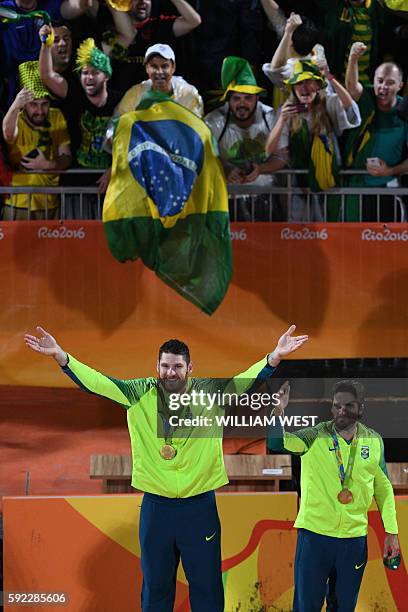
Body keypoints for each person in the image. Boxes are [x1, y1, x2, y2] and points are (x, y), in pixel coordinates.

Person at [24, 324, 309, 611]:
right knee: (156, 587)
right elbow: (97, 383)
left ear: (189, 368)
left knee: (207, 586)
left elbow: (244, 381)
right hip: (156, 509)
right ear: (157, 366)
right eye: (165, 366)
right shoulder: (138, 393)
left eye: (177, 366)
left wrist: (274, 357)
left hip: (199, 508)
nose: (170, 372)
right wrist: (61, 356)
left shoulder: (209, 393)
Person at [269, 379, 400, 612]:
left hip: (353, 541)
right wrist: (278, 411)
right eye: (337, 405)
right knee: (306, 607)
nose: (342, 411)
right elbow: (278, 443)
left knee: (344, 607)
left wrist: (391, 532)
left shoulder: (373, 441)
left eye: (349, 406)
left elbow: (384, 489)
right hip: (315, 538)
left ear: (361, 408)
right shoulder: (314, 436)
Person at [266, 59, 361, 221]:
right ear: (293, 88)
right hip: (298, 186)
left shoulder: (328, 103)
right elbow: (269, 150)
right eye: (299, 83)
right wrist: (282, 121)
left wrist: (329, 77)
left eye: (309, 82)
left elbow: (349, 104)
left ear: (318, 86)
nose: (304, 88)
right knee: (300, 235)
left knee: (330, 231)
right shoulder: (286, 111)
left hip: (328, 182)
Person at [39, 35, 123, 214]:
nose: (89, 78)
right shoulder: (75, 95)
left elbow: (132, 141)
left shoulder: (121, 102)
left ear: (106, 75)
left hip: (112, 184)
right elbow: (46, 75)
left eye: (95, 72)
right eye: (85, 73)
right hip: (77, 184)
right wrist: (46, 43)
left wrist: (114, 168)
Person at [344, 42, 408, 221]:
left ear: (400, 85)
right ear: (373, 80)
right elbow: (351, 88)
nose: (383, 88)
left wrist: (390, 170)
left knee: (387, 245)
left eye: (390, 83)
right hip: (355, 186)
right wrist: (353, 58)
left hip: (389, 189)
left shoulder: (405, 110)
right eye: (379, 81)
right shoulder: (367, 99)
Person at [2, 61, 71, 219]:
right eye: (33, 104)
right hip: (17, 203)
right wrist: (14, 107)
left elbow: (66, 156)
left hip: (49, 203)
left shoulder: (56, 116)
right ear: (24, 104)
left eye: (44, 104)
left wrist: (48, 165)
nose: (40, 111)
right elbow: (8, 134)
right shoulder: (15, 118)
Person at [205, 56, 286, 188]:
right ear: (228, 100)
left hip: (266, 196)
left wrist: (260, 168)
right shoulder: (213, 122)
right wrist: (225, 168)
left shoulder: (271, 117)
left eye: (248, 98)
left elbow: (281, 157)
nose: (242, 104)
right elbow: (206, 156)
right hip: (228, 197)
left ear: (257, 98)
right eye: (236, 98)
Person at [0, 0, 95, 106]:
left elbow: (81, 5)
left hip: (46, 85)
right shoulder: (4, 9)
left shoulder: (49, 6)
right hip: (10, 85)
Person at [101, 0, 202, 93]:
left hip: (157, 101)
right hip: (123, 101)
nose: (142, 1)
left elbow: (193, 21)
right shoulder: (112, 32)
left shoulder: (159, 25)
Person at [116, 42, 203, 117]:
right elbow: (119, 121)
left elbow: (195, 129)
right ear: (147, 68)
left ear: (173, 67)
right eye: (154, 66)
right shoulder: (136, 93)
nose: (159, 72)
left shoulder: (188, 94)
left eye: (164, 66)